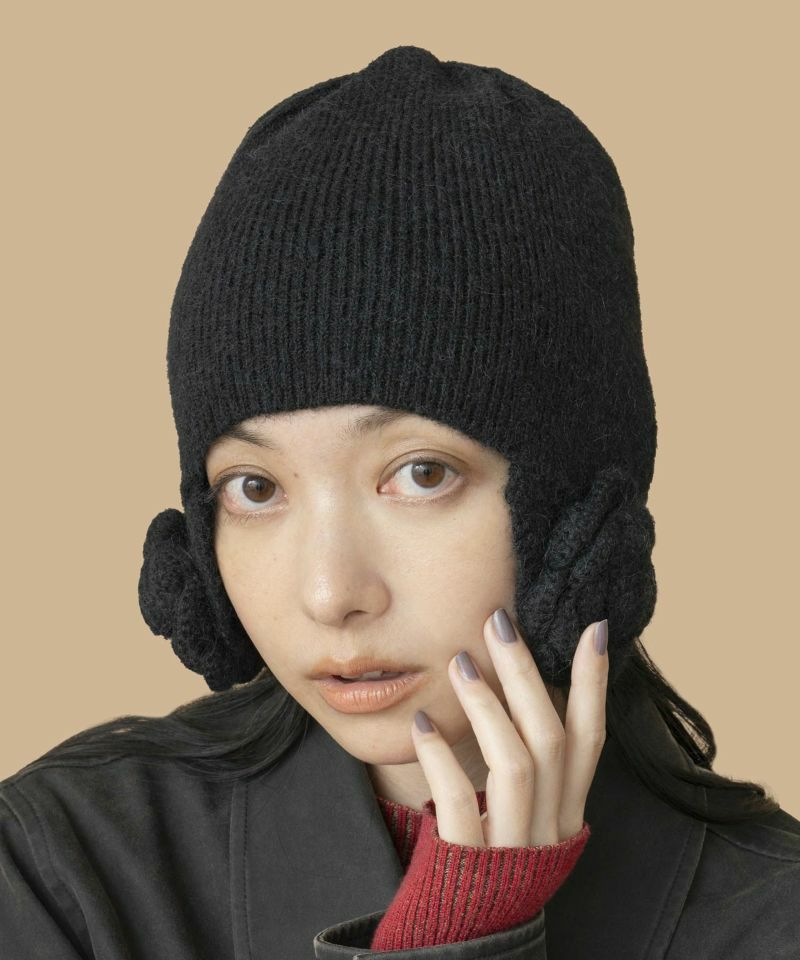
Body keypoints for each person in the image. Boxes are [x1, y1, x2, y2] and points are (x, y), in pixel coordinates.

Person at [1, 45, 798, 959]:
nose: (330, 593)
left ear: (577, 526)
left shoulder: (771, 921)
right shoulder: (60, 865)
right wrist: (456, 929)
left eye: (420, 474)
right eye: (256, 488)